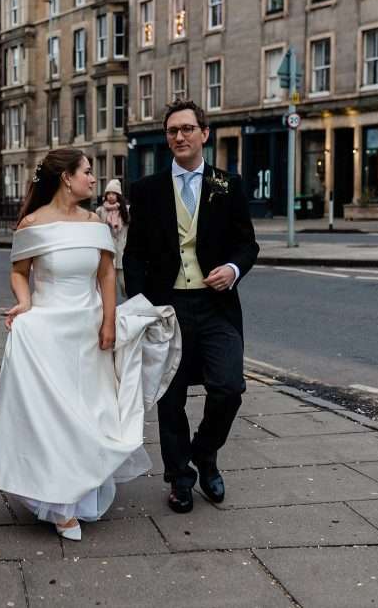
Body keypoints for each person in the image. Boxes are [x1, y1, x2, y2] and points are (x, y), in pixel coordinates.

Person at [0, 149, 179, 541]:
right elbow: (19, 273)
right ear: (66, 178)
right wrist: (25, 302)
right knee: (56, 419)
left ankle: (79, 486)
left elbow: (107, 273)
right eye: (87, 172)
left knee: (94, 413)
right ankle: (60, 506)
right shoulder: (32, 224)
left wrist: (109, 320)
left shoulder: (95, 223)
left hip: (90, 330)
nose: (94, 178)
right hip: (48, 331)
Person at [123, 99, 259, 514]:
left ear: (204, 133)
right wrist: (145, 305)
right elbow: (134, 255)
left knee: (229, 388)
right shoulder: (146, 190)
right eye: (171, 131)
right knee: (171, 397)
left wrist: (233, 269)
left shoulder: (228, 184)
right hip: (168, 308)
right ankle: (180, 478)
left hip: (216, 306)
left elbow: (247, 243)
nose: (178, 137)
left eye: (186, 129)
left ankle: (205, 452)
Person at [95, 179, 130, 297]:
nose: (110, 196)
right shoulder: (100, 211)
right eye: (108, 193)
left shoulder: (126, 210)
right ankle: (109, 310)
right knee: (107, 286)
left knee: (124, 284)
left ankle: (129, 305)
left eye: (113, 193)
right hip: (106, 251)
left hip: (122, 250)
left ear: (118, 196)